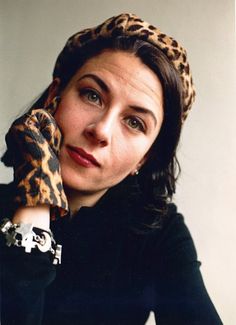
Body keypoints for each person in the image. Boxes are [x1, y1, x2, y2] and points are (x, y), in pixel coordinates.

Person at [0, 13, 222, 324]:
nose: (101, 130)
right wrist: (35, 207)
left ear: (145, 157)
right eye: (92, 95)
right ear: (54, 98)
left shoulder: (159, 234)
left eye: (134, 122)